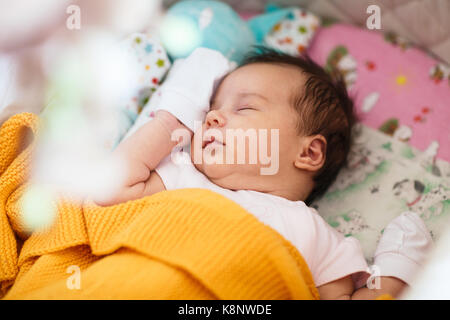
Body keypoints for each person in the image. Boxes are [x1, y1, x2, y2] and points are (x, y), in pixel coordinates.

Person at [96, 47, 432, 299]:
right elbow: (108, 192)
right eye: (210, 107)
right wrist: (174, 118)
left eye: (243, 107)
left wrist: (393, 277)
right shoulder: (181, 177)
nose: (211, 117)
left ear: (309, 152)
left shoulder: (313, 234)